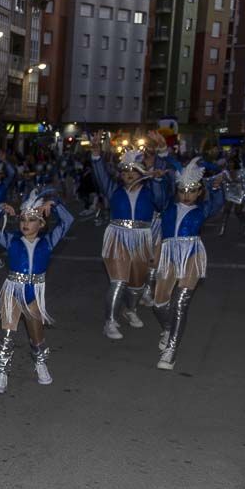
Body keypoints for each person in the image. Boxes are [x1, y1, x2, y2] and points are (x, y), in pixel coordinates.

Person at [0, 190, 75, 393]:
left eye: (32, 219)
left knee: (36, 336)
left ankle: (40, 363)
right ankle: (2, 375)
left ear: (41, 224)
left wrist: (54, 204)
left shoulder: (48, 242)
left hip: (35, 293)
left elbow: (68, 221)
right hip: (12, 290)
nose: (25, 223)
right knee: (7, 334)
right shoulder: (11, 240)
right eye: (23, 219)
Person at [90, 138, 171, 340]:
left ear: (142, 173)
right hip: (117, 236)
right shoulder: (113, 190)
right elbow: (100, 176)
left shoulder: (151, 191)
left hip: (142, 237)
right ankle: (110, 321)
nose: (129, 174)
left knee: (136, 285)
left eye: (133, 170)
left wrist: (160, 172)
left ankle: (130, 309)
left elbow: (161, 203)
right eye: (125, 170)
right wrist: (96, 155)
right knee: (118, 281)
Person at [151, 159, 224, 370]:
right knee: (159, 304)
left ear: (199, 191)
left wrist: (216, 188)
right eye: (183, 190)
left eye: (192, 190)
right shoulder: (167, 205)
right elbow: (157, 196)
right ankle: (168, 327)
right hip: (168, 253)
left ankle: (170, 351)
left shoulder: (203, 209)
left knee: (181, 304)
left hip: (191, 253)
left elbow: (217, 204)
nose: (186, 195)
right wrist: (157, 180)